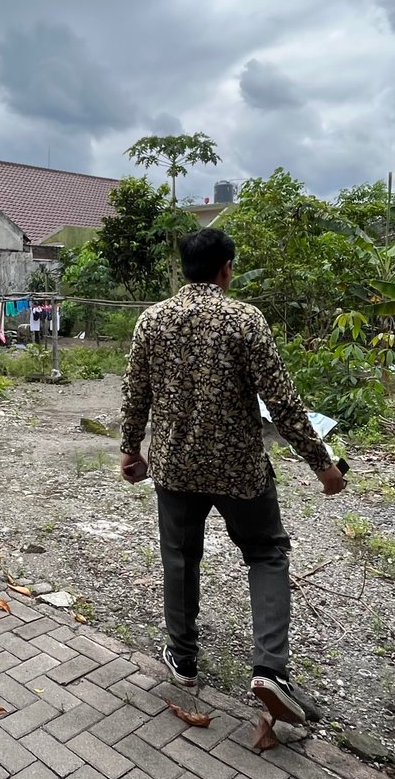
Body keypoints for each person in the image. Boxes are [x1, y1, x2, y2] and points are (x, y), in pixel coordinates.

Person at [119, 227, 345, 726]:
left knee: (179, 558)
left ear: (184, 269)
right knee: (266, 552)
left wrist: (131, 449)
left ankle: (182, 660)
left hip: (175, 465)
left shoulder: (151, 322)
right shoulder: (244, 320)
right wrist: (322, 465)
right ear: (226, 269)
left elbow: (136, 392)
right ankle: (270, 669)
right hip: (240, 467)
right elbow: (282, 401)